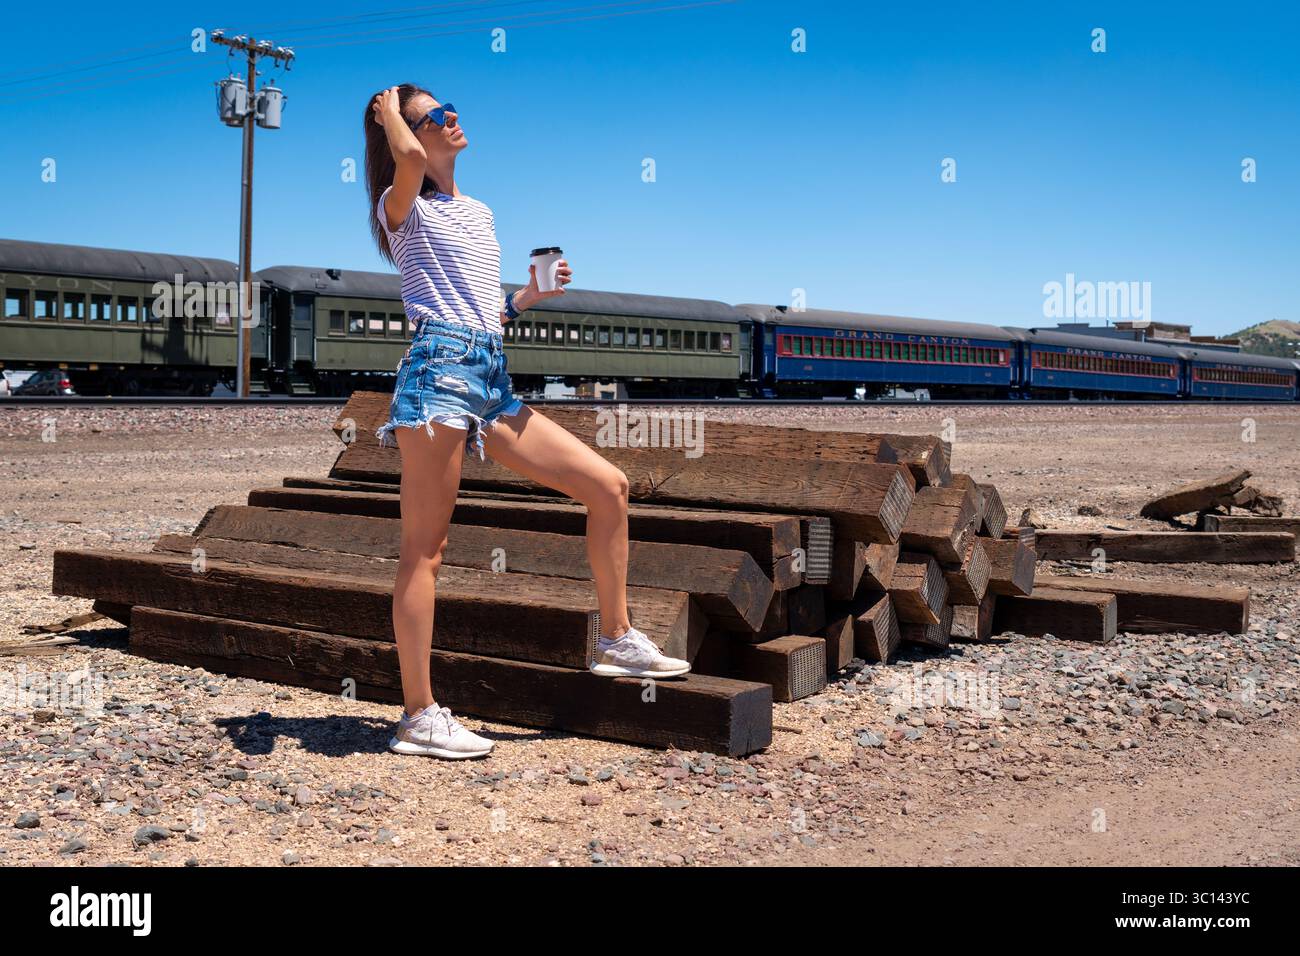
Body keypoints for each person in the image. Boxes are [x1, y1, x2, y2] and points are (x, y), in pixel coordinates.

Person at [364, 84, 690, 760]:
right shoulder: (403, 208)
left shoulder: (478, 211)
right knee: (426, 551)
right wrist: (389, 111)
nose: (454, 119)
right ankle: (418, 715)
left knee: (608, 487)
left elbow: (486, 308)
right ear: (406, 131)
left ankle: (615, 639)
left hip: (488, 375)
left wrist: (529, 295)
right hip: (438, 374)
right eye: (436, 116)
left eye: (451, 109)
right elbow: (403, 160)